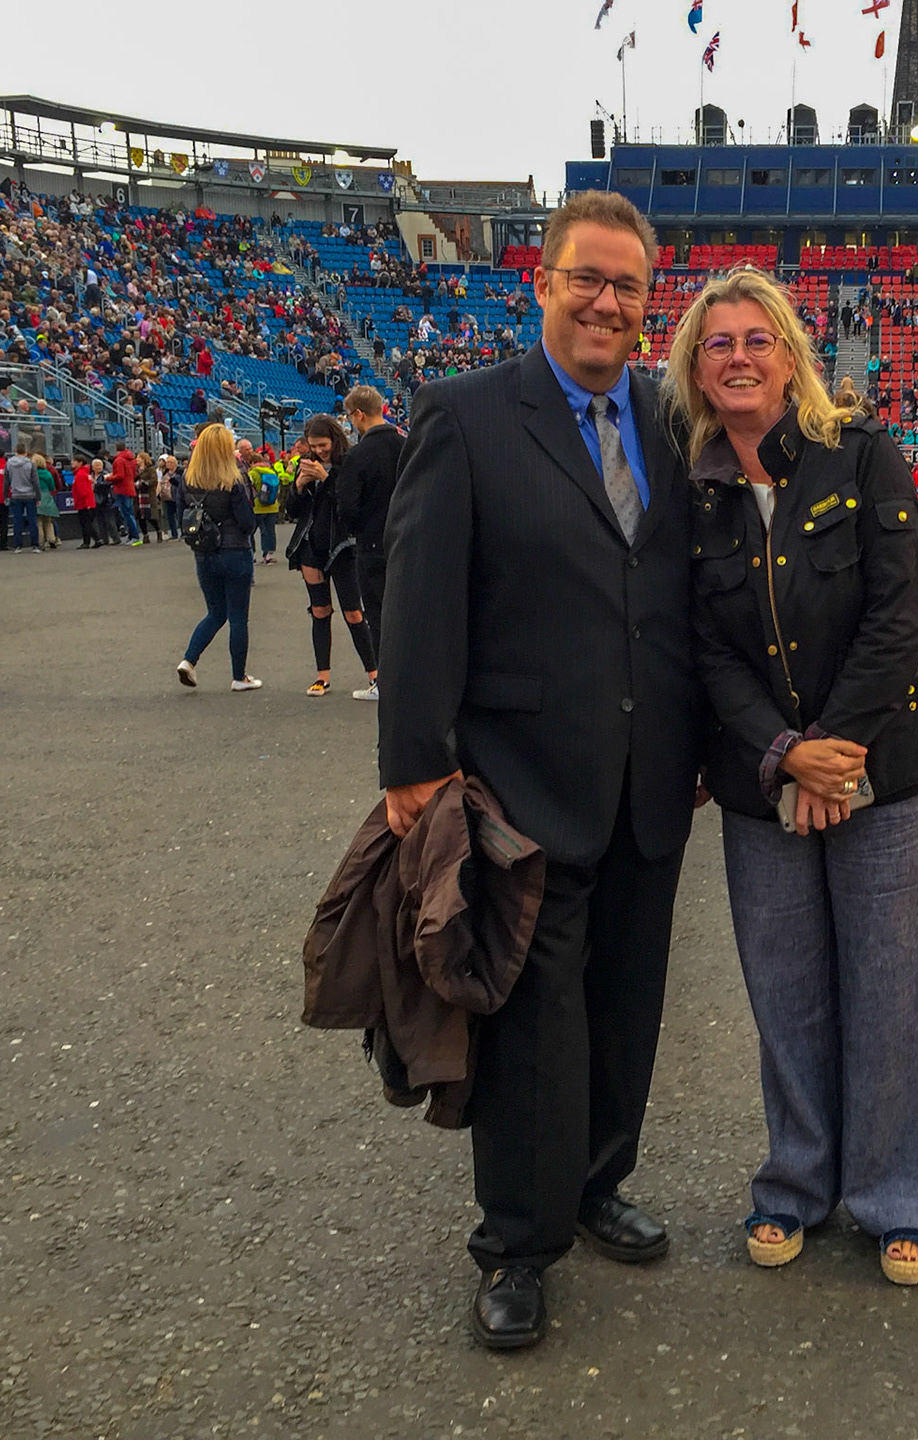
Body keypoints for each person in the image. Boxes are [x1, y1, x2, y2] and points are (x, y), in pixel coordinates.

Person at [378, 191, 700, 1351]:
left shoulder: (671, 418)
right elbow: (419, 596)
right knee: (532, 1024)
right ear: (544, 284)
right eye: (586, 279)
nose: (606, 302)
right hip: (519, 781)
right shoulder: (464, 416)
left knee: (627, 1003)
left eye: (627, 285)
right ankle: (516, 1241)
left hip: (651, 781)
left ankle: (598, 1181)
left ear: (648, 300)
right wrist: (415, 764)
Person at [671, 266, 918, 1288]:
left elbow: (899, 615)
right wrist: (785, 755)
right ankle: (796, 1182)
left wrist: (833, 750)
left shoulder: (863, 454)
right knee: (785, 991)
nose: (739, 356)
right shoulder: (691, 486)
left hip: (886, 767)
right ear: (696, 369)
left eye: (759, 339)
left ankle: (904, 1194)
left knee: (891, 987)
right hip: (762, 779)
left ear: (791, 356)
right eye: (719, 343)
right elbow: (704, 647)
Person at [283, 415, 378, 699]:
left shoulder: (347, 463)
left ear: (334, 440)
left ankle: (374, 673)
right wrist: (299, 486)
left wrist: (326, 478)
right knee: (320, 611)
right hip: (310, 547)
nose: (318, 451)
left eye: (322, 445)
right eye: (313, 446)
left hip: (342, 548)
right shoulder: (305, 464)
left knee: (354, 613)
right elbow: (293, 511)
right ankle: (322, 676)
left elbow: (349, 506)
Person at [175, 423, 261, 692]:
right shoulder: (234, 478)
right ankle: (239, 676)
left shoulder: (188, 479)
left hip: (204, 551)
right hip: (235, 550)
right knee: (238, 617)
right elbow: (247, 523)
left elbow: (180, 517)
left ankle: (189, 660)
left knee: (215, 612)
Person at [333, 384, 404, 675]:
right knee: (408, 613)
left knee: (377, 617)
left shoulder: (357, 455)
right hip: (407, 541)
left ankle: (385, 681)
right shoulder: (407, 445)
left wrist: (357, 528)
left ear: (359, 414)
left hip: (373, 544)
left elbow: (347, 508)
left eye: (351, 416)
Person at [245, 445, 282, 563]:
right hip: (272, 506)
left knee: (251, 531)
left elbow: (249, 488)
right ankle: (268, 555)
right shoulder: (271, 471)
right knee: (269, 531)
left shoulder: (253, 473)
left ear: (252, 462)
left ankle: (252, 554)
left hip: (257, 506)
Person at [5, 438, 40, 552]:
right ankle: (35, 545)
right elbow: (35, 481)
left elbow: (6, 481)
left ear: (15, 450)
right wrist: (38, 496)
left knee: (17, 521)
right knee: (32, 520)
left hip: (15, 495)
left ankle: (18, 546)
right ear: (25, 451)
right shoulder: (30, 464)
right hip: (30, 495)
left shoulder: (9, 463)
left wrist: (6, 495)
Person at [107, 441, 143, 545]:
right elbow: (134, 474)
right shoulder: (131, 459)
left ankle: (135, 536)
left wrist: (108, 478)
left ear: (116, 448)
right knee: (129, 513)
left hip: (122, 489)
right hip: (130, 488)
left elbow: (120, 475)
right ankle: (132, 536)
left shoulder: (119, 460)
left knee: (127, 514)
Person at [70, 456, 102, 548]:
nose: (72, 463)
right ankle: (93, 540)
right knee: (87, 522)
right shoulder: (85, 473)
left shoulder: (80, 475)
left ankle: (91, 540)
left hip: (83, 503)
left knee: (85, 523)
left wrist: (84, 502)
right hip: (88, 502)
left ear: (80, 463)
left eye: (74, 461)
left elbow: (82, 491)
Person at [32, 451, 61, 550]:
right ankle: (51, 539)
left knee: (38, 521)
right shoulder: (47, 473)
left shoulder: (32, 474)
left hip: (36, 496)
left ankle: (40, 542)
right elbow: (52, 486)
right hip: (47, 496)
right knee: (48, 520)